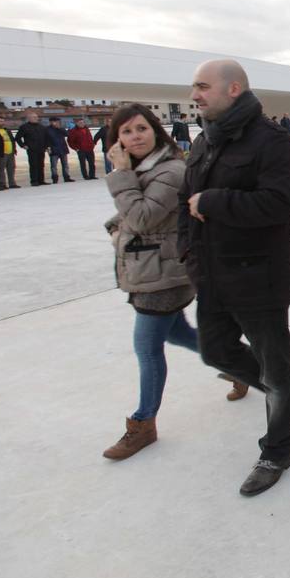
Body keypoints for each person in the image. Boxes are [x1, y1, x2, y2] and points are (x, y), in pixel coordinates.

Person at [179, 59, 290, 496]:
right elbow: (187, 203)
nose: (194, 95)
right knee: (214, 351)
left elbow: (279, 203)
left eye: (202, 86)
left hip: (259, 278)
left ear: (233, 88)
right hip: (213, 275)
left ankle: (276, 451)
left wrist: (216, 201)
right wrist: (189, 254)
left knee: (274, 374)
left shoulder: (271, 141)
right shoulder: (204, 140)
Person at [101, 103, 200, 461]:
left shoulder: (170, 169)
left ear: (155, 130)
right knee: (180, 335)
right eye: (126, 132)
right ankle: (246, 366)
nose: (135, 136)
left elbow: (143, 217)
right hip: (150, 270)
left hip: (165, 275)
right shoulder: (144, 168)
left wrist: (121, 176)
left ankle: (143, 423)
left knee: (146, 347)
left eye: (141, 128)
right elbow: (134, 214)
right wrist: (116, 226)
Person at [16, 111, 49, 186]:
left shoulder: (41, 127)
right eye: (34, 117)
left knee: (41, 165)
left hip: (41, 148)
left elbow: (46, 138)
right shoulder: (24, 127)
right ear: (29, 118)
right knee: (33, 165)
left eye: (36, 117)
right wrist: (23, 145)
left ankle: (41, 180)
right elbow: (18, 138)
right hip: (32, 149)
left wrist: (47, 146)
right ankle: (34, 181)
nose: (36, 118)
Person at [0, 118, 21, 188]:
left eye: (3, 121)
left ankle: (12, 183)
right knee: (1, 169)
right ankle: (2, 183)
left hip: (10, 152)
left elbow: (12, 140)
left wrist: (14, 149)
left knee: (11, 168)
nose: (2, 123)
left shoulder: (7, 130)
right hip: (1, 153)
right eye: (0, 121)